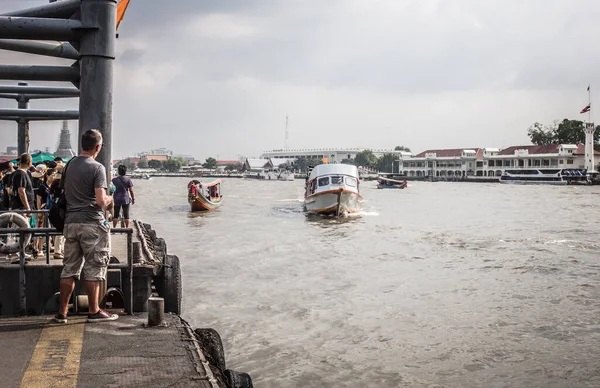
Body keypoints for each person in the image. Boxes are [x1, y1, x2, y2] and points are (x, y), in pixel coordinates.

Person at [54, 129, 117, 324]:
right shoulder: (97, 168)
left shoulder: (69, 165)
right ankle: (94, 310)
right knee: (94, 268)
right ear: (97, 147)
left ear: (82, 144)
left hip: (71, 223)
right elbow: (100, 200)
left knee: (69, 269)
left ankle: (62, 313)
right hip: (91, 223)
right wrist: (111, 199)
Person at [34, 168, 57, 256]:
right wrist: (39, 210)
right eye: (52, 175)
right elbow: (38, 198)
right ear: (47, 176)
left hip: (53, 210)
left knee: (53, 230)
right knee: (44, 230)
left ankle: (54, 248)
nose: (54, 177)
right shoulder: (42, 187)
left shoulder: (54, 186)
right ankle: (40, 249)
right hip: (44, 211)